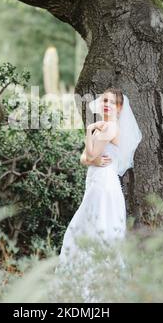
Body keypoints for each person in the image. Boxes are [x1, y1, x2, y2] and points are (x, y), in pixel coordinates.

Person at [54, 88, 142, 301]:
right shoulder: (103, 127)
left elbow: (91, 153)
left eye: (112, 103)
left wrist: (90, 129)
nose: (106, 105)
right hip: (96, 182)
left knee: (94, 229)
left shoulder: (110, 127)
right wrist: (91, 153)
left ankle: (96, 290)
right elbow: (84, 159)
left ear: (119, 108)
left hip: (103, 186)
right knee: (88, 228)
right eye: (104, 100)